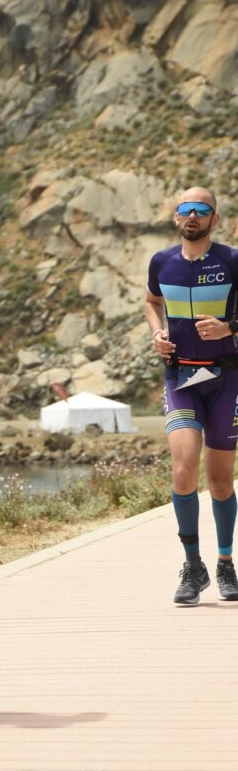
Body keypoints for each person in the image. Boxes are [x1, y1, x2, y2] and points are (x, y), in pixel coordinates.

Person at [145, 186, 238, 605]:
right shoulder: (161, 262)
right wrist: (157, 332)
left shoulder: (232, 260)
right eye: (186, 209)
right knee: (183, 470)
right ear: (176, 217)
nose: (193, 216)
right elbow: (151, 300)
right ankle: (192, 564)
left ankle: (224, 563)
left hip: (227, 379)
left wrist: (229, 329)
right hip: (179, 378)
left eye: (202, 210)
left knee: (219, 480)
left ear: (214, 219)